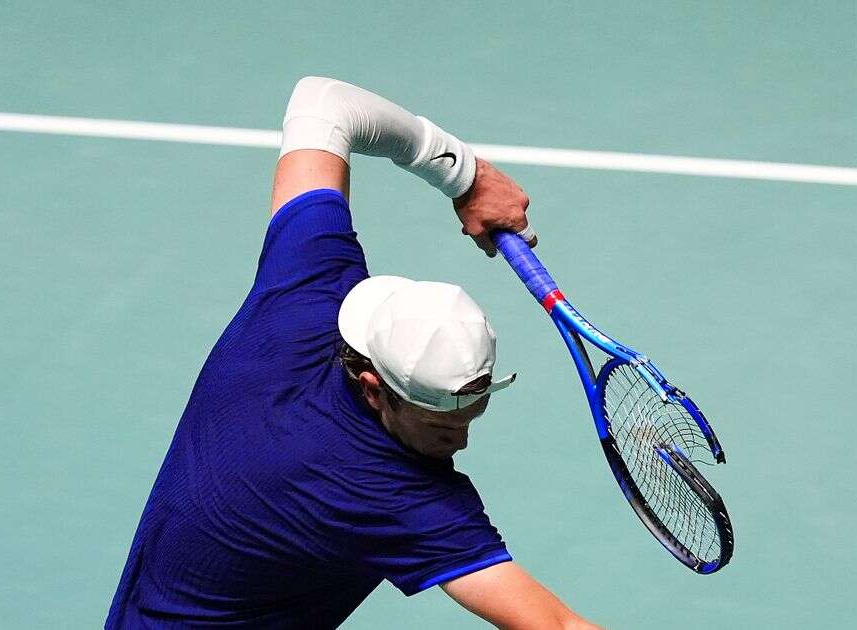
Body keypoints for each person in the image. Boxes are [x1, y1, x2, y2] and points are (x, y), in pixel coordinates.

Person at [106, 77, 598, 629]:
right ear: (372, 387)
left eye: (471, 408)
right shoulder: (396, 496)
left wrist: (469, 175)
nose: (460, 435)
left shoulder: (305, 291)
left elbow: (322, 103)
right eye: (438, 418)